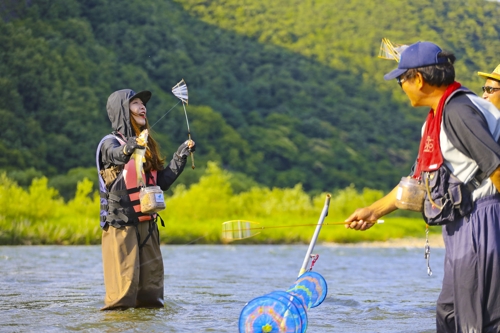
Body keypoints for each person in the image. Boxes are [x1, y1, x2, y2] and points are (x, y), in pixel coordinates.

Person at [344, 41, 500, 332]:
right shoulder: (436, 117)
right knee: (449, 315)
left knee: (476, 322)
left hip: (481, 220)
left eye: (402, 79)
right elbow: (418, 183)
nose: (401, 86)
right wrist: (373, 211)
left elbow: (497, 167)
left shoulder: (459, 111)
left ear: (418, 78)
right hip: (461, 225)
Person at [96, 89, 195, 310]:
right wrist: (128, 147)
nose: (143, 107)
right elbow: (116, 155)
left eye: (143, 104)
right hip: (121, 226)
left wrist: (180, 157)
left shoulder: (147, 146)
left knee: (152, 295)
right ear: (122, 110)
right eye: (136, 103)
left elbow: (162, 181)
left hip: (147, 224)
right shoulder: (108, 143)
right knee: (123, 296)